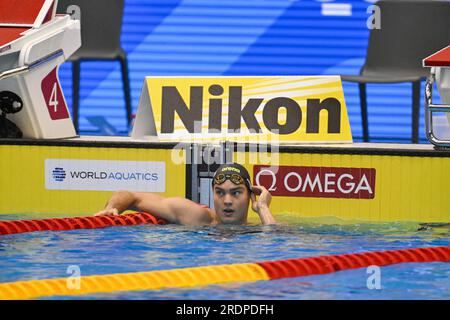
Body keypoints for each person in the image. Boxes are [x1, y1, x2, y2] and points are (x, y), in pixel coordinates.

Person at [95, 163, 276, 226]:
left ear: (250, 196)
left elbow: (275, 246)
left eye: (236, 193)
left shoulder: (260, 229)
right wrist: (112, 207)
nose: (227, 201)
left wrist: (262, 208)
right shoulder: (197, 217)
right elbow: (130, 195)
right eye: (220, 193)